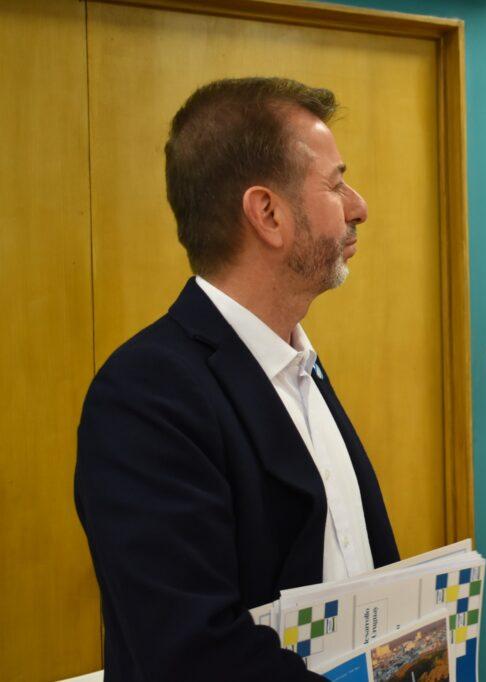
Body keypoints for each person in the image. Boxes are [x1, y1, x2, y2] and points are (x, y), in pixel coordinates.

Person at [75, 77, 399, 681]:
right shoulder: (144, 395)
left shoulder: (299, 367)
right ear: (268, 214)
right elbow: (192, 655)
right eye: (335, 184)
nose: (358, 207)